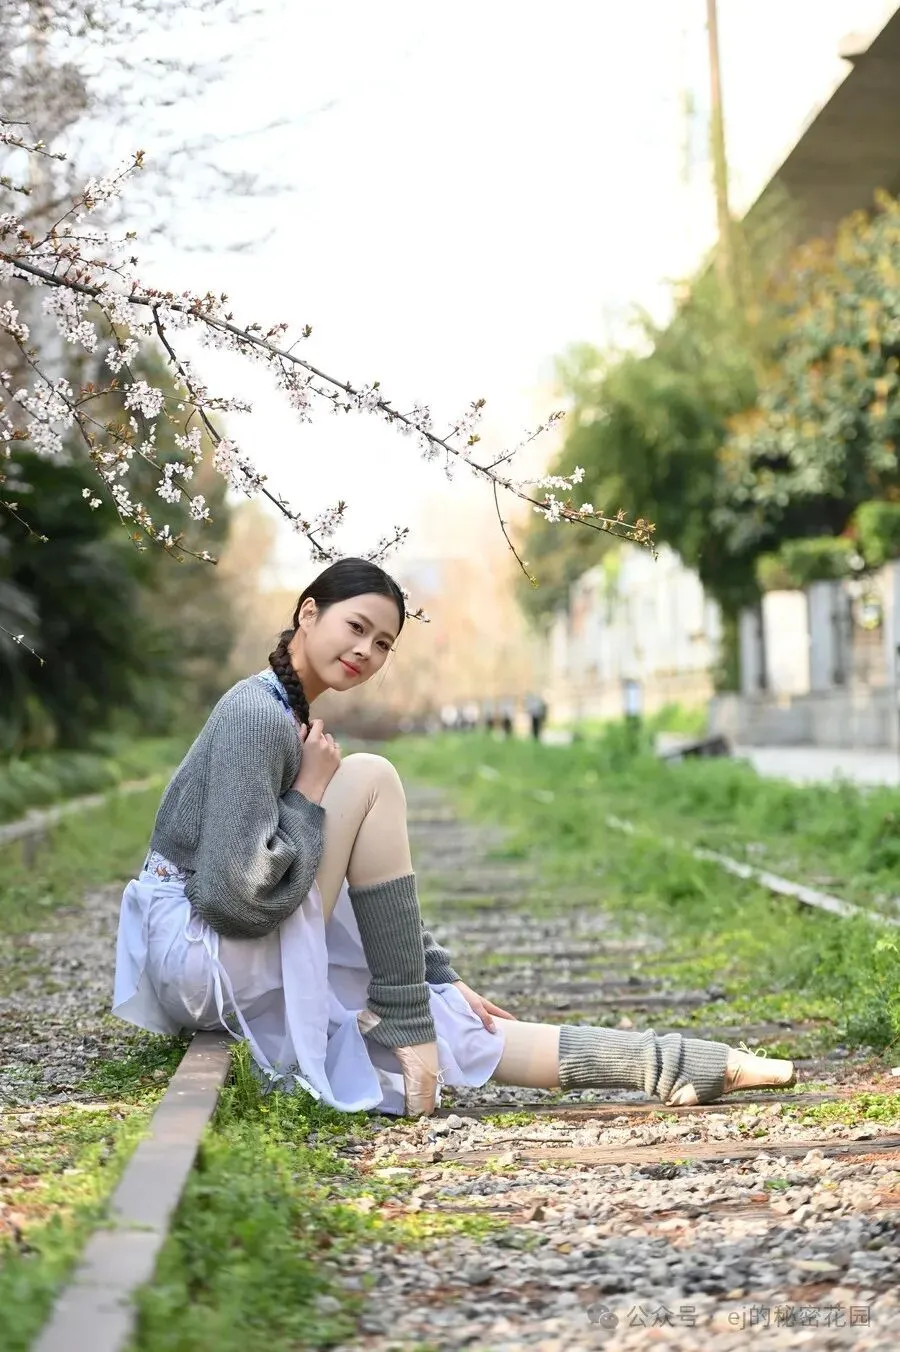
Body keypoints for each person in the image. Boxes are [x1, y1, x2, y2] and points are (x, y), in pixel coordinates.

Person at [113, 558, 796, 1117]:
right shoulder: (256, 714)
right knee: (371, 776)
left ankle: (669, 1063)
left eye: (384, 643)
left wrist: (434, 971)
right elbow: (231, 898)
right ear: (308, 613)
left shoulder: (289, 714)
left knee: (453, 1015)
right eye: (356, 627)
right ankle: (405, 1015)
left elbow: (346, 879)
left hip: (219, 957)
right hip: (199, 954)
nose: (366, 651)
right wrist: (313, 794)